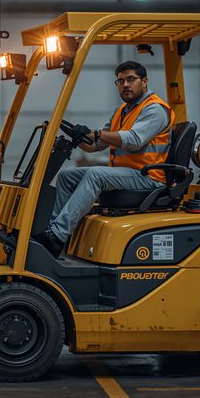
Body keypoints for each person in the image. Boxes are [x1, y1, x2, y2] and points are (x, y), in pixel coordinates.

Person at [34, 60, 175, 258]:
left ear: (144, 82)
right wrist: (78, 137)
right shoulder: (122, 112)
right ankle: (53, 233)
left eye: (130, 79)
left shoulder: (155, 109)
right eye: (120, 81)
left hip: (148, 176)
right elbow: (96, 145)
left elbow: (134, 140)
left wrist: (96, 133)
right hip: (128, 174)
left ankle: (57, 235)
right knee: (67, 177)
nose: (125, 84)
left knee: (96, 175)